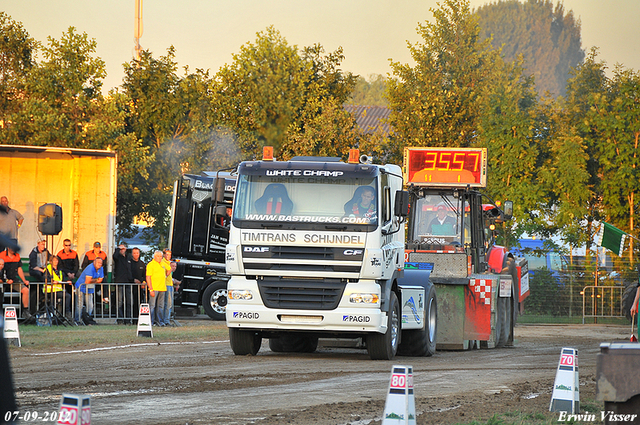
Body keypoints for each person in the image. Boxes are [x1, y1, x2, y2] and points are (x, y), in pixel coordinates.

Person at [0, 247, 31, 318]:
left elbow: (19, 269)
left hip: (13, 279)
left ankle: (25, 311)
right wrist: (5, 280)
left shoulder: (17, 256)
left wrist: (24, 280)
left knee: (26, 290)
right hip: (3, 279)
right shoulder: (1, 255)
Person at [75, 257, 104, 325]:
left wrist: (93, 280)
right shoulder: (90, 268)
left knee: (90, 305)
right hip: (81, 287)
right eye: (98, 263)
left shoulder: (101, 268)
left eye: (101, 263)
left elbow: (101, 280)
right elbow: (87, 281)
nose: (99, 264)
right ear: (94, 262)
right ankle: (77, 320)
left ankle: (87, 319)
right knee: (79, 305)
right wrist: (96, 279)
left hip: (90, 288)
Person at [146, 250, 169, 326]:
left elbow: (169, 269)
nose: (159, 258)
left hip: (162, 288)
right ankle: (151, 322)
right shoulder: (151, 264)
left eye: (161, 256)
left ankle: (160, 321)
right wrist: (151, 289)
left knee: (160, 306)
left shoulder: (163, 264)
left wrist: (166, 275)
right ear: (154, 257)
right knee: (152, 305)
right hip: (154, 288)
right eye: (158, 256)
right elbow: (148, 277)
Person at [113, 243, 134, 324]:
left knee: (129, 302)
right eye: (121, 249)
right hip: (120, 282)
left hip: (128, 282)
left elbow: (130, 269)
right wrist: (118, 249)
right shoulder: (118, 258)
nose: (122, 250)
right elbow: (115, 256)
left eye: (123, 249)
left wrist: (132, 279)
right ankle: (120, 319)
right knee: (119, 301)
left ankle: (128, 319)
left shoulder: (128, 258)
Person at [162, 249, 178, 326]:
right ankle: (166, 321)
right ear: (164, 255)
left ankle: (167, 319)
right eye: (167, 254)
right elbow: (165, 275)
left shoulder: (169, 263)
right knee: (167, 304)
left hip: (170, 284)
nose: (169, 256)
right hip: (166, 285)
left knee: (170, 304)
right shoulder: (163, 263)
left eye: (170, 254)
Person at [130, 247, 147, 314]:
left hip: (140, 287)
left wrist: (144, 282)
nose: (136, 254)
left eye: (137, 253)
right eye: (134, 253)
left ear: (139, 254)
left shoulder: (142, 263)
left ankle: (137, 318)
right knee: (131, 302)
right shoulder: (129, 263)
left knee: (138, 302)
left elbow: (145, 274)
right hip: (130, 286)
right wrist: (133, 280)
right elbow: (128, 274)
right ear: (132, 254)